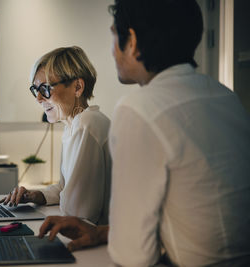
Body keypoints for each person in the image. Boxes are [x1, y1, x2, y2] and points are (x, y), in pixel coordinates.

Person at [39, 0, 250, 266]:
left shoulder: (138, 108)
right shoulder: (226, 97)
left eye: (114, 35)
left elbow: (134, 255)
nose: (112, 50)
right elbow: (197, 217)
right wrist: (101, 233)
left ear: (133, 41)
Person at [0, 46, 112, 225]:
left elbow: (77, 210)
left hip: (97, 241)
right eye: (35, 90)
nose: (38, 98)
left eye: (45, 88)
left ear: (77, 87)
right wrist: (35, 195)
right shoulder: (72, 126)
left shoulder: (87, 124)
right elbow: (64, 188)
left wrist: (59, 198)